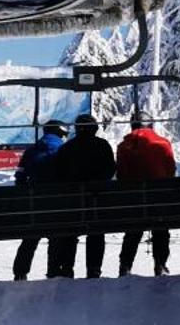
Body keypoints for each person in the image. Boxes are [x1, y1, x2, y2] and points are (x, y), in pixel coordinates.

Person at [45, 111, 116, 278]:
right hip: (97, 200)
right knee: (96, 231)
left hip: (72, 203)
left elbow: (58, 174)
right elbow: (111, 169)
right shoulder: (102, 145)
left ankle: (67, 267)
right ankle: (94, 269)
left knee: (70, 231)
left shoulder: (66, 148)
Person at [115, 108, 177, 276]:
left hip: (134, 202)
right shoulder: (163, 143)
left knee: (134, 228)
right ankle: (160, 263)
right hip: (159, 200)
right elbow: (170, 170)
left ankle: (125, 265)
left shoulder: (123, 146)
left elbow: (121, 175)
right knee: (161, 226)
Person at [11, 119, 67, 280]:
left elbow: (20, 176)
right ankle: (54, 271)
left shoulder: (31, 151)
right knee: (57, 236)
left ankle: (20, 272)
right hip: (59, 205)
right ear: (59, 133)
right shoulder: (63, 150)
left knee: (30, 238)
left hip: (35, 204)